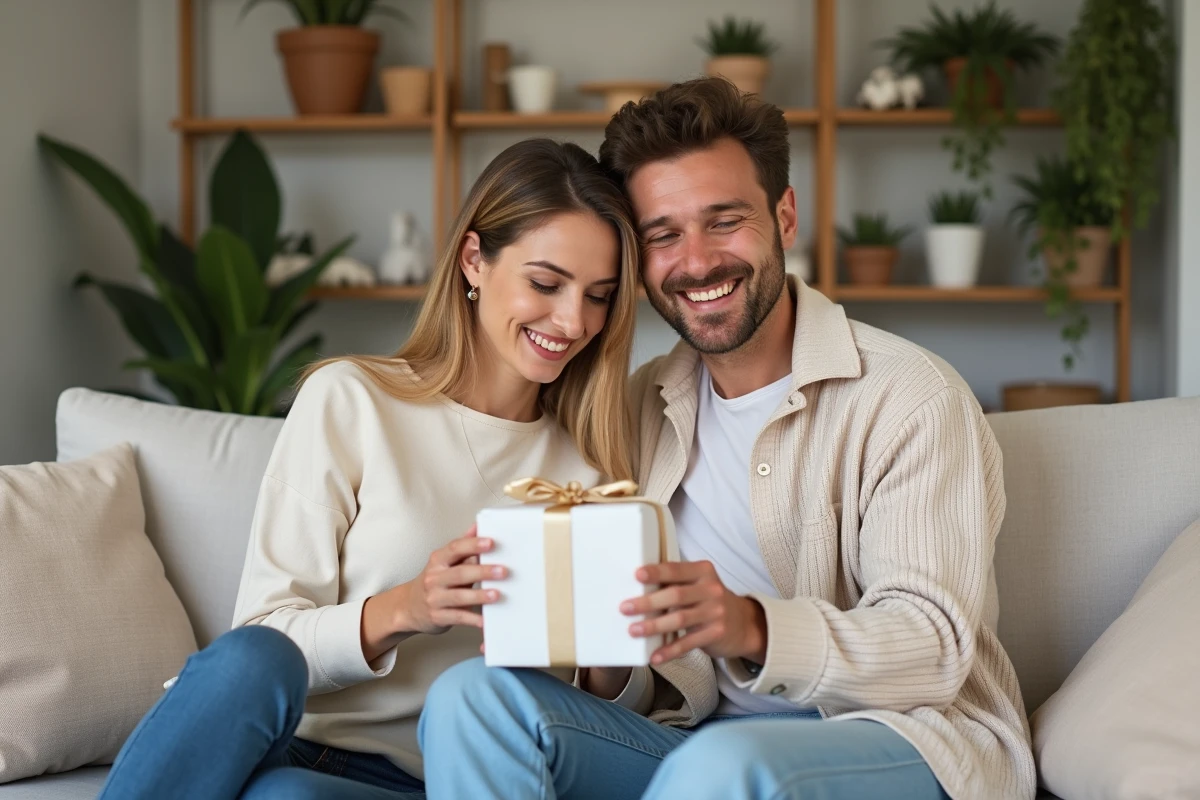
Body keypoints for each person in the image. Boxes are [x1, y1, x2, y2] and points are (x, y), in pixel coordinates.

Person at [418, 78, 1036, 800]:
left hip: (901, 741)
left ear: (785, 216)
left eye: (725, 220)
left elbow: (933, 649)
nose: (698, 261)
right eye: (663, 235)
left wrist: (749, 627)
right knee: (472, 701)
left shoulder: (909, 396)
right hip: (693, 746)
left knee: (718, 766)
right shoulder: (640, 405)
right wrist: (603, 654)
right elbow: (663, 686)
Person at [96, 137, 643, 800]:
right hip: (305, 748)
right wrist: (405, 607)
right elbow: (264, 638)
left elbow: (601, 712)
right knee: (253, 668)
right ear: (474, 260)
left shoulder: (589, 468)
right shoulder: (352, 399)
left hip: (447, 782)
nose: (573, 320)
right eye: (547, 283)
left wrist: (611, 647)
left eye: (600, 296)